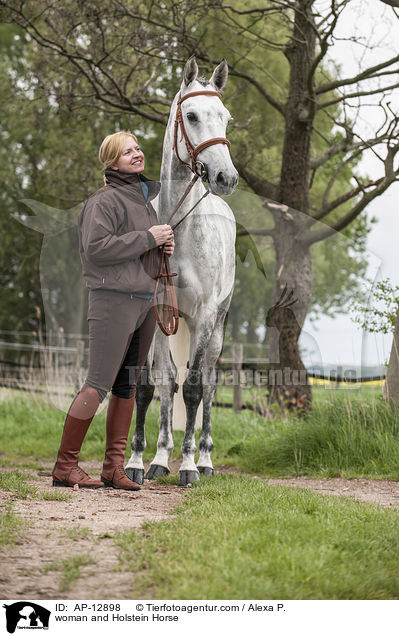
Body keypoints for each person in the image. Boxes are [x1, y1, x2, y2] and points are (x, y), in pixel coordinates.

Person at [52, 131, 174, 490]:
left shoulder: (144, 201)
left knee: (127, 385)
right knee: (97, 384)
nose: (137, 154)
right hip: (112, 300)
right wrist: (149, 238)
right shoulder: (102, 202)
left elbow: (139, 245)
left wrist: (161, 248)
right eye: (127, 151)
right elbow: (97, 249)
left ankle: (113, 468)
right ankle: (65, 467)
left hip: (145, 301)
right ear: (111, 161)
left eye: (137, 148)